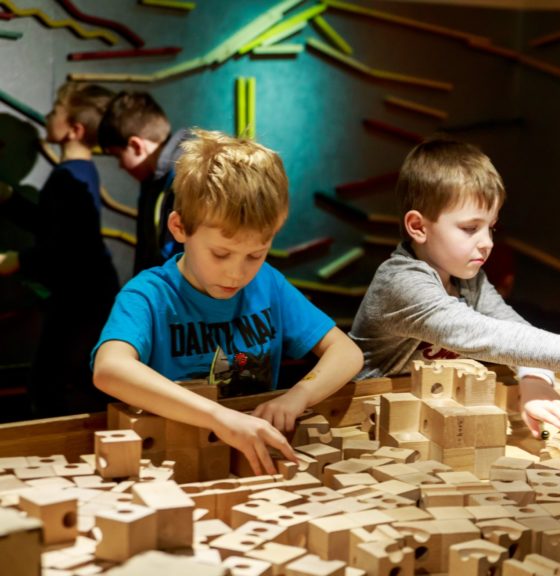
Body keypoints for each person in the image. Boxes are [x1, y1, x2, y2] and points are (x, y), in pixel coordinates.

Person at [350, 138, 560, 437]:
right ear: (418, 226)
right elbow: (483, 335)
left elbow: (513, 330)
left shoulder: (468, 278)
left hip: (420, 419)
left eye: (491, 228)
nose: (487, 244)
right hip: (361, 421)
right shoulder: (402, 282)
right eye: (470, 228)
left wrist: (534, 381)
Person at [92, 129, 364, 474]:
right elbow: (109, 370)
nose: (237, 273)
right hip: (173, 464)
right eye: (221, 253)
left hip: (251, 463)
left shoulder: (269, 284)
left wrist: (299, 396)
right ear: (179, 228)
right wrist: (219, 417)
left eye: (256, 254)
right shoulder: (148, 295)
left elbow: (347, 351)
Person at [0, 82, 119, 416]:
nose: (47, 116)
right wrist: (10, 198)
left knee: (51, 385)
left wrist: (15, 261)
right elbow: (55, 226)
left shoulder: (68, 179)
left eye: (55, 112)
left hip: (80, 300)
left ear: (74, 129)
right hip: (86, 296)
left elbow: (65, 249)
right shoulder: (80, 173)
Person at [98, 91, 186, 275]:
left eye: (118, 156)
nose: (121, 166)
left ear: (136, 145)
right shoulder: (153, 180)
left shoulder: (186, 176)